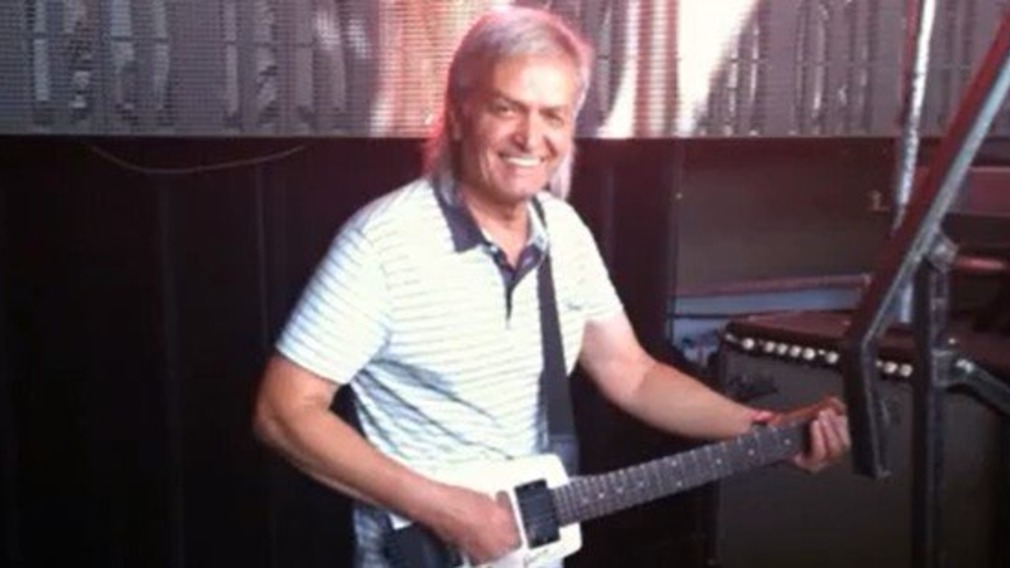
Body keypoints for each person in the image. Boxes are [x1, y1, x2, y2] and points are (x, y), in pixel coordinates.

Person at [253, 6, 850, 567]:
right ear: (459, 114)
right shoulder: (384, 243)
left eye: (553, 115)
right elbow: (284, 413)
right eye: (507, 108)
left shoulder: (562, 232)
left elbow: (633, 374)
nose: (530, 137)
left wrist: (765, 430)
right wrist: (449, 511)